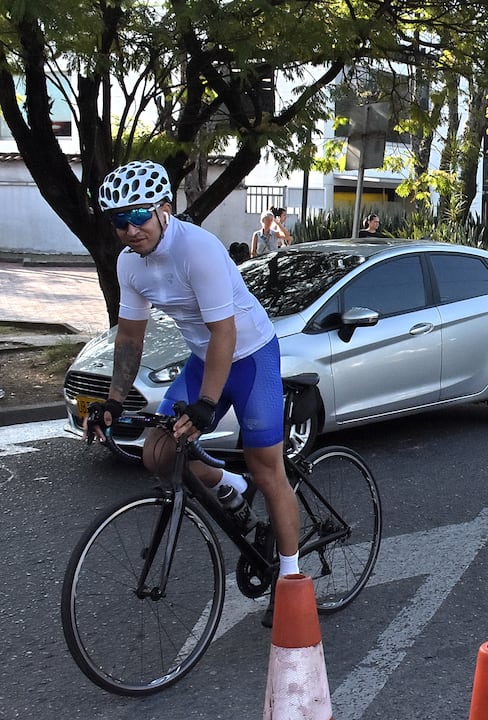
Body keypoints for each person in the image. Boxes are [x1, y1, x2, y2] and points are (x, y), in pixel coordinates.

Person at [85, 160, 300, 627]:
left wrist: (206, 406)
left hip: (251, 354)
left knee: (268, 469)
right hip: (207, 357)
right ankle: (230, 485)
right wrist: (114, 402)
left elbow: (224, 332)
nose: (129, 230)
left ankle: (291, 579)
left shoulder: (196, 249)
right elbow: (129, 338)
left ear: (164, 209)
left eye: (138, 216)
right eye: (118, 221)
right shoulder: (129, 264)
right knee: (159, 452)